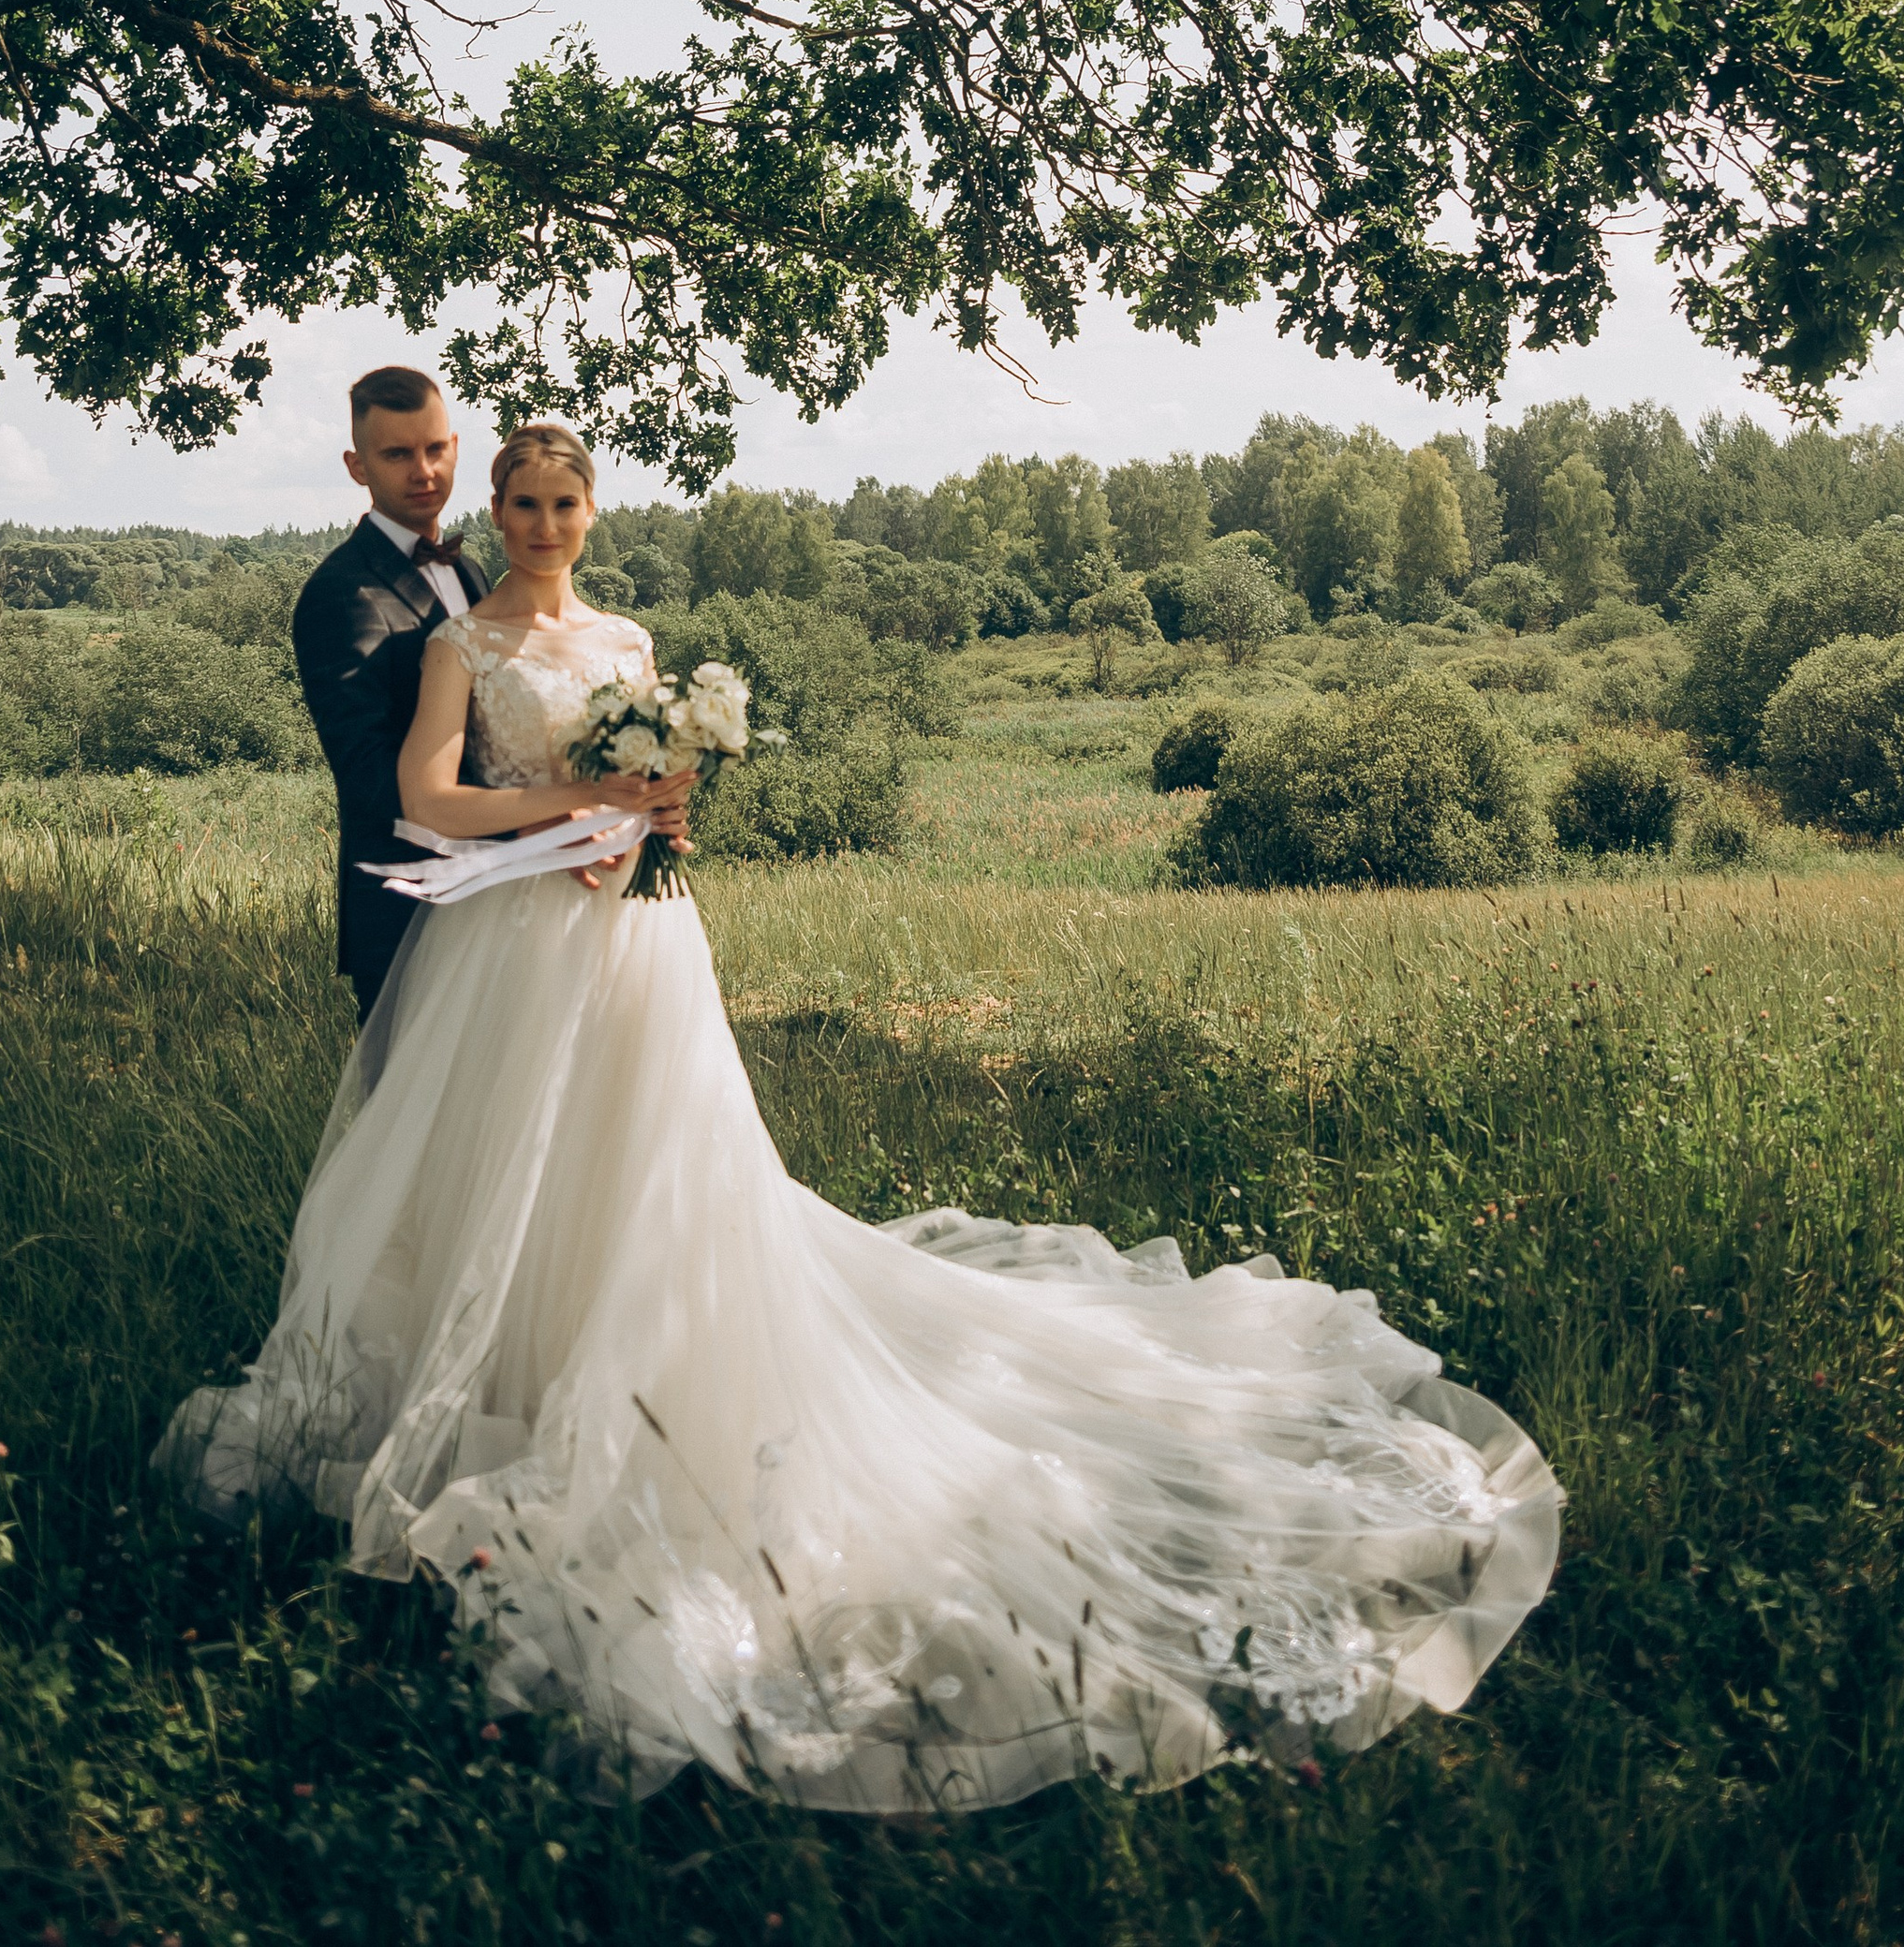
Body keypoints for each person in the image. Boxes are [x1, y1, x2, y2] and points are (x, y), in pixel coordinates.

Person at [162, 421, 1557, 1814]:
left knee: (654, 1167)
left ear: (591, 510)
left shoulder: (632, 641)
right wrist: (584, 800)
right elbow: (426, 794)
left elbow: (654, 786)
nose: (539, 523)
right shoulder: (460, 642)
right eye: (520, 501)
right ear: (499, 505)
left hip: (634, 940)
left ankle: (634, 1378)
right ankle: (510, 1379)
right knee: (502, 1167)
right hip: (507, 944)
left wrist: (658, 815)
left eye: (561, 501)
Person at [288, 365, 498, 1025]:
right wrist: (523, 820)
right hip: (407, 908)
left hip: (501, 895)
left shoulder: (471, 571)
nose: (424, 470)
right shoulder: (340, 594)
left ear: (456, 447)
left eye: (435, 448)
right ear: (358, 466)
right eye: (398, 454)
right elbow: (369, 776)